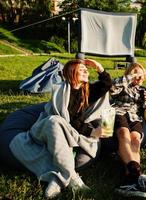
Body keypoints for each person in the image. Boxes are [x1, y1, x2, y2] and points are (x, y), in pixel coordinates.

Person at [8, 59, 113, 198]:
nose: (86, 71)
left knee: (59, 125)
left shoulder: (86, 92)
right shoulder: (60, 90)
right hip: (44, 129)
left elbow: (106, 85)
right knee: (55, 120)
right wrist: (92, 131)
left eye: (86, 69)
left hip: (65, 132)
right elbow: (66, 118)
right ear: (71, 73)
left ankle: (57, 179)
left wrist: (99, 67)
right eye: (81, 69)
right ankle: (73, 177)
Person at [110, 63, 146, 200]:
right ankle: (138, 176)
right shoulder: (122, 84)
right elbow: (111, 88)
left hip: (135, 117)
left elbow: (143, 109)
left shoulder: (143, 89)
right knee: (124, 134)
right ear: (129, 73)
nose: (138, 76)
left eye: (141, 74)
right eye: (135, 72)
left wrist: (145, 101)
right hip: (120, 113)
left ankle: (130, 182)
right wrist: (130, 77)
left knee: (135, 140)